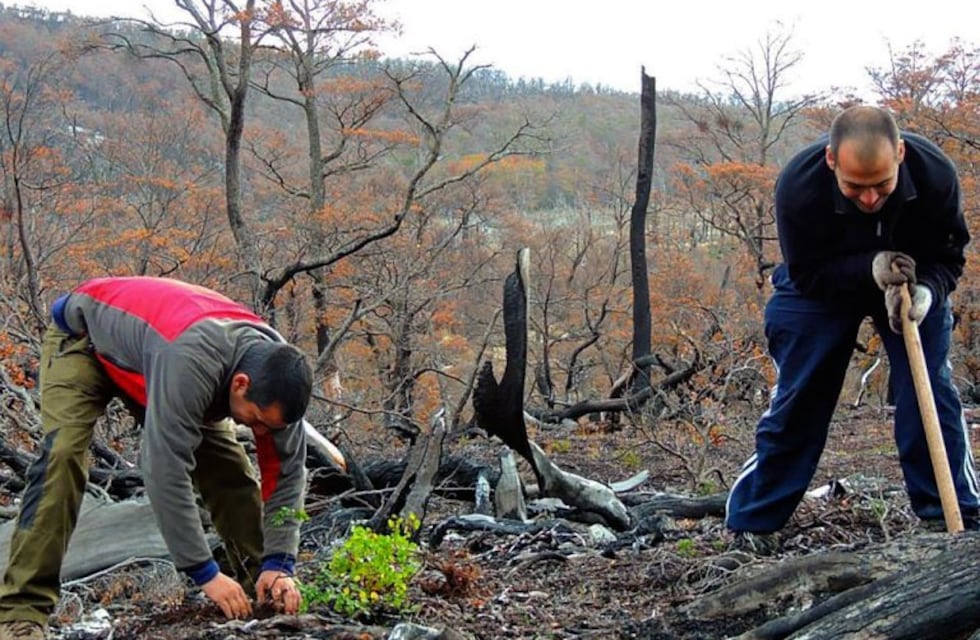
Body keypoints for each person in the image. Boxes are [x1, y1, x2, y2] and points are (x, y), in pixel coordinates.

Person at [725, 105, 980, 553]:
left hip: (911, 280)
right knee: (801, 393)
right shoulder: (799, 187)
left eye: (882, 185)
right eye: (855, 187)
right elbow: (806, 274)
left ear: (900, 154)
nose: (869, 199)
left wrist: (928, 293)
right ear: (830, 161)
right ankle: (754, 521)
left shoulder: (936, 175)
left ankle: (951, 514)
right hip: (822, 288)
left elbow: (950, 257)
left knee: (930, 394)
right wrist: (871, 268)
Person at [0, 276, 313, 640]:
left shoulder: (281, 380)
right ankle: (19, 613)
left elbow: (288, 475)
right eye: (256, 421)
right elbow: (165, 470)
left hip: (157, 359)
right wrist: (204, 573)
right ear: (240, 384)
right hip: (85, 340)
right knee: (62, 457)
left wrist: (280, 563)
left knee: (229, 469)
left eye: (269, 427)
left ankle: (260, 591)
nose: (260, 432)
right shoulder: (194, 362)